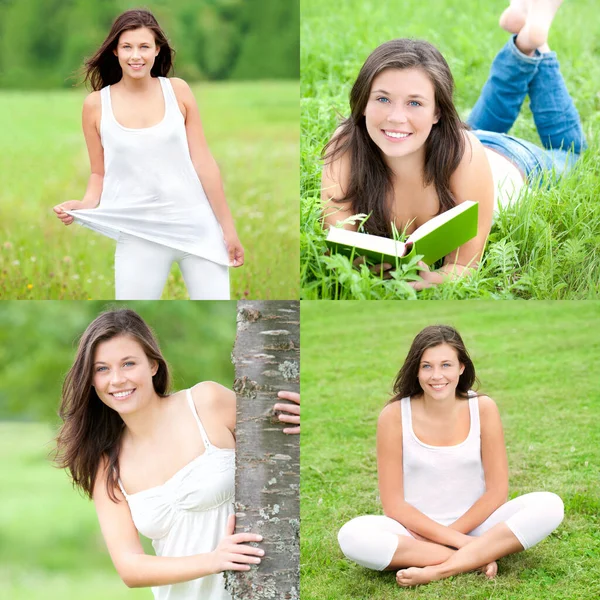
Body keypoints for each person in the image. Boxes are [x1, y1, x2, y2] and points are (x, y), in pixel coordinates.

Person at [322, 0, 585, 289]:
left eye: (414, 102)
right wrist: (361, 267)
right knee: (477, 125)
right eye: (383, 99)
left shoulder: (465, 153)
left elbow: (463, 265)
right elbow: (339, 243)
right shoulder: (347, 144)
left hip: (506, 162)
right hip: (443, 141)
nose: (396, 117)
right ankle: (522, 43)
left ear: (437, 112)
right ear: (363, 104)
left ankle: (537, 43)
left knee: (570, 154)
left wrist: (433, 281)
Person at [55, 309, 262, 599]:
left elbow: (278, 444)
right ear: (90, 379)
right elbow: (130, 567)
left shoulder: (206, 402)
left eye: (128, 363)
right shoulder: (107, 465)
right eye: (102, 369)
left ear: (153, 365)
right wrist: (213, 560)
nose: (116, 380)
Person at [337, 325, 564, 587]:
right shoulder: (394, 415)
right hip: (415, 532)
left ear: (461, 368)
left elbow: (497, 492)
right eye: (427, 366)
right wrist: (461, 543)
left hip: (479, 527)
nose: (436, 376)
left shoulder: (483, 408)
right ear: (416, 370)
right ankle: (476, 557)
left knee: (549, 504)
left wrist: (453, 535)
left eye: (446, 365)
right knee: (352, 536)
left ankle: (440, 569)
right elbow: (394, 505)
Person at [53, 9, 243, 300]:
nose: (135, 56)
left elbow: (204, 162)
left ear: (157, 50)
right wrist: (85, 204)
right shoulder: (95, 105)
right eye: (127, 47)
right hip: (139, 232)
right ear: (115, 50)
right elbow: (98, 172)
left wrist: (227, 230)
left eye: (144, 47)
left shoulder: (178, 91)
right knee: (131, 311)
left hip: (197, 226)